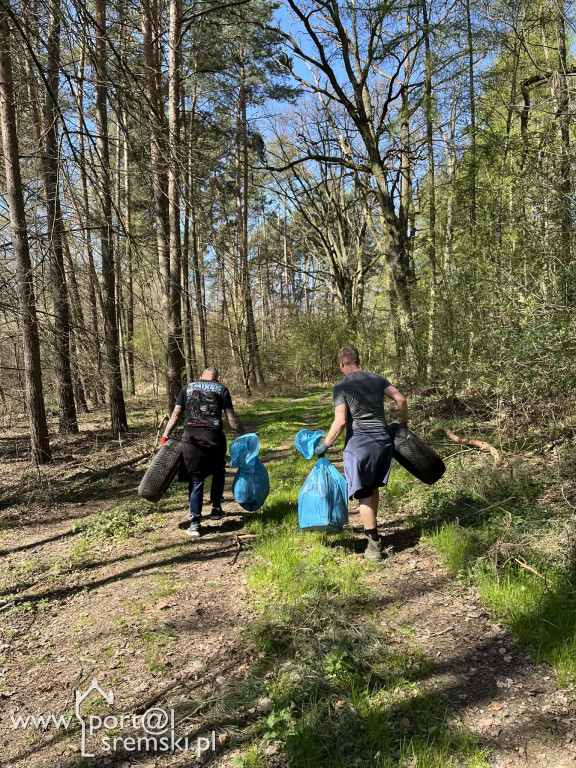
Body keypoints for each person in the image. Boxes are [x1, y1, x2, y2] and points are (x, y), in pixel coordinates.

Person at [315, 347, 408, 561]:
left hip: (359, 446)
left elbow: (340, 421)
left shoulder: (341, 387)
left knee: (363, 493)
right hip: (383, 443)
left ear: (341, 364)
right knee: (373, 487)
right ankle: (372, 528)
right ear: (359, 360)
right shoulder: (378, 378)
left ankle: (374, 547)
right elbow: (401, 400)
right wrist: (403, 423)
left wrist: (326, 444)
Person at [162, 367, 245, 538]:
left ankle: (195, 524)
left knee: (196, 479)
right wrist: (245, 435)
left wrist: (166, 434)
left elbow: (176, 415)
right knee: (218, 470)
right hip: (214, 437)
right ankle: (216, 509)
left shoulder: (187, 388)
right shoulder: (222, 389)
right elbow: (232, 419)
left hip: (192, 440)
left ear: (201, 377)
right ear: (217, 379)